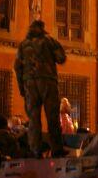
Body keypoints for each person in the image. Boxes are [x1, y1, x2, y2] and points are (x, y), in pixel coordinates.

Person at [15, 20, 68, 158]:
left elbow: (17, 67)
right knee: (52, 116)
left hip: (29, 84)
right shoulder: (49, 41)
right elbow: (61, 58)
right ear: (42, 28)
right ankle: (57, 149)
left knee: (33, 118)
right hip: (47, 81)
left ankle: (35, 150)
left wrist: (21, 87)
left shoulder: (23, 45)